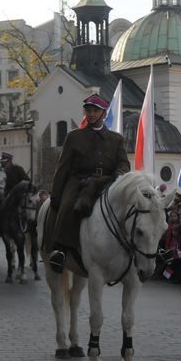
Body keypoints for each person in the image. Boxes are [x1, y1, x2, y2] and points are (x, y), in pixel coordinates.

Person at [46, 94, 130, 273]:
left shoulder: (116, 139)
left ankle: (134, 251)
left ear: (103, 113)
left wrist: (119, 173)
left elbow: (123, 162)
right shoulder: (74, 137)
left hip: (106, 181)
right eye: (88, 110)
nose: (91, 114)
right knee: (67, 206)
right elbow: (63, 167)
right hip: (79, 181)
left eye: (95, 111)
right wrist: (56, 195)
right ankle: (60, 250)